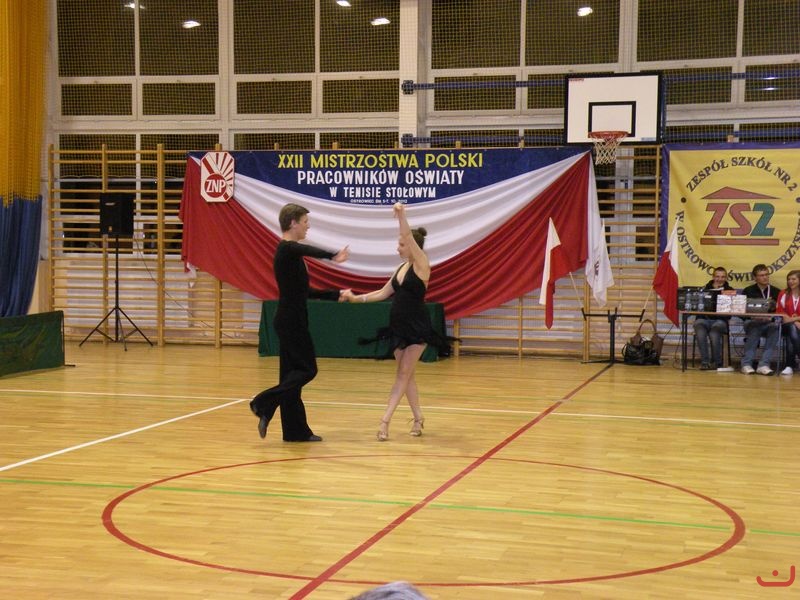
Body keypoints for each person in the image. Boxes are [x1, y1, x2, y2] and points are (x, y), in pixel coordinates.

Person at [342, 203, 451, 441]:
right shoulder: (401, 268)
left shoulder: (422, 264)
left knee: (402, 374)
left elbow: (407, 235)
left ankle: (384, 422)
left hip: (417, 327)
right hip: (398, 327)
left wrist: (402, 215)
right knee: (406, 375)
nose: (398, 247)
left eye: (401, 244)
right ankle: (418, 417)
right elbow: (383, 293)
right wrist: (356, 298)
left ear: (412, 246)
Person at [249, 203, 350, 442]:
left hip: (290, 319)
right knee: (307, 369)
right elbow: (302, 248)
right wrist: (332, 255)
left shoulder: (292, 255)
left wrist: (336, 295)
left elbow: (304, 291)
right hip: (290, 321)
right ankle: (263, 402)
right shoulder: (287, 249)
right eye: (305, 222)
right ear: (293, 223)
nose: (308, 226)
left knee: (291, 376)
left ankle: (295, 431)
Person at [740, 264, 780, 375]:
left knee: (775, 328)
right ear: (755, 277)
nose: (765, 277)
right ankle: (746, 364)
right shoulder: (748, 291)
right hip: (752, 321)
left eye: (766, 274)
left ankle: (764, 365)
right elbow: (740, 311)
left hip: (769, 323)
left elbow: (780, 311)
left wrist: (771, 317)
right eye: (761, 275)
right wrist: (752, 316)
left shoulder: (776, 291)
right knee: (754, 326)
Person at [692, 266, 734, 370]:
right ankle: (705, 362)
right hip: (704, 319)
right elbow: (697, 307)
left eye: (723, 277)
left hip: (720, 321)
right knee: (699, 327)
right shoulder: (704, 289)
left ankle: (717, 362)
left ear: (726, 278)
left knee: (714, 333)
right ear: (713, 277)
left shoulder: (730, 291)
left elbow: (732, 311)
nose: (720, 279)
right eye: (717, 276)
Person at [776, 269, 800, 376]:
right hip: (785, 326)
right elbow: (782, 316)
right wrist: (795, 321)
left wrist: (795, 319)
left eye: (793, 279)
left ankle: (789, 365)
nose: (790, 281)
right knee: (792, 328)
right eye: (789, 279)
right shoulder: (783, 293)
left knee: (791, 335)